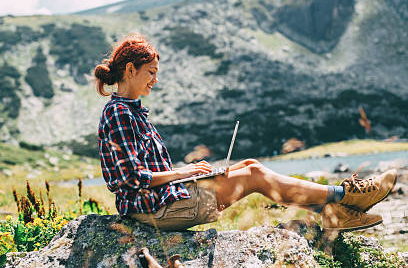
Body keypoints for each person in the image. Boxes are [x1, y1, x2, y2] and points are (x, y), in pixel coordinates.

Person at [94, 34, 396, 232]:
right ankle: (347, 197)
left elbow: (145, 173)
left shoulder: (130, 110)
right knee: (256, 177)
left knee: (249, 165)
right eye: (151, 73)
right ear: (131, 70)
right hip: (155, 211)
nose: (155, 81)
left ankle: (336, 212)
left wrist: (191, 175)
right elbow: (130, 179)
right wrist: (183, 173)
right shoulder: (119, 113)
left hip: (163, 200)